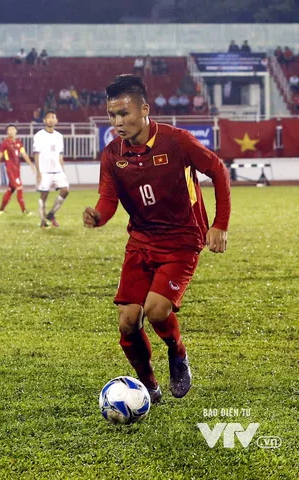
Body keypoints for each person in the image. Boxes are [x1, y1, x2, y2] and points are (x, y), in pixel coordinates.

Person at [82, 74, 231, 404]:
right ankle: (148, 385)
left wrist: (219, 224)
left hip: (182, 240)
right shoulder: (112, 155)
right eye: (112, 115)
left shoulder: (177, 141)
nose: (117, 122)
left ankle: (177, 353)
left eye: (124, 114)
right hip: (141, 242)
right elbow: (108, 200)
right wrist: (98, 216)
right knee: (127, 321)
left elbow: (218, 169)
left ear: (144, 109)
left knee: (157, 309)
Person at [0, 124, 36, 215]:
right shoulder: (5, 143)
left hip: (17, 170)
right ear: (7, 132)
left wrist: (31, 165)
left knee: (11, 189)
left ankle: (0, 210)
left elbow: (24, 154)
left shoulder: (18, 142)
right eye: (9, 129)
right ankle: (24, 211)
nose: (11, 131)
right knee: (19, 187)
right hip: (10, 170)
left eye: (13, 129)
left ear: (16, 131)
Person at [33, 110, 68, 229]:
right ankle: (43, 221)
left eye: (53, 117)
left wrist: (63, 170)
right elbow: (36, 154)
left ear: (56, 120)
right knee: (44, 195)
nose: (51, 119)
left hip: (57, 170)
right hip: (44, 171)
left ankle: (51, 214)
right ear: (44, 120)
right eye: (48, 118)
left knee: (65, 190)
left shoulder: (59, 136)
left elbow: (60, 155)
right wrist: (38, 172)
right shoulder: (39, 135)